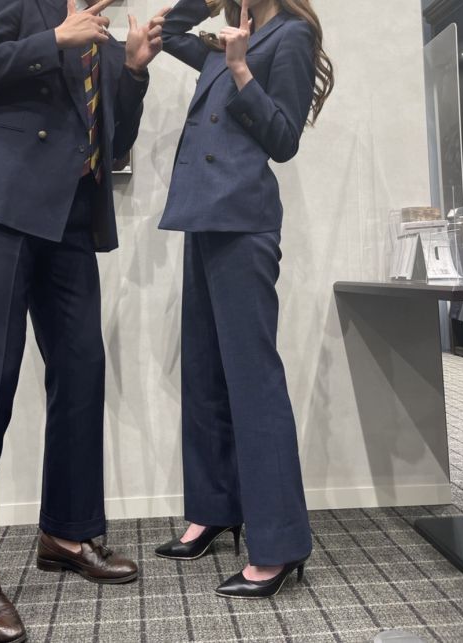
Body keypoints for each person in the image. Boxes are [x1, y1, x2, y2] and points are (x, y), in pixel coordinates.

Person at [0, 0, 167, 640]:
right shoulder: (27, 4)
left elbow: (115, 143)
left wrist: (134, 70)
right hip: (2, 207)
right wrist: (55, 38)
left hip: (69, 220)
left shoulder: (105, 38)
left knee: (83, 371)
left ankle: (65, 534)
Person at [154, 0, 334, 599]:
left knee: (254, 383)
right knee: (203, 374)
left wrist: (240, 68)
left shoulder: (290, 36)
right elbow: (168, 32)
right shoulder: (226, 34)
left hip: (244, 222)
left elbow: (283, 140)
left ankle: (280, 546)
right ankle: (214, 511)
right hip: (202, 215)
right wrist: (207, 7)